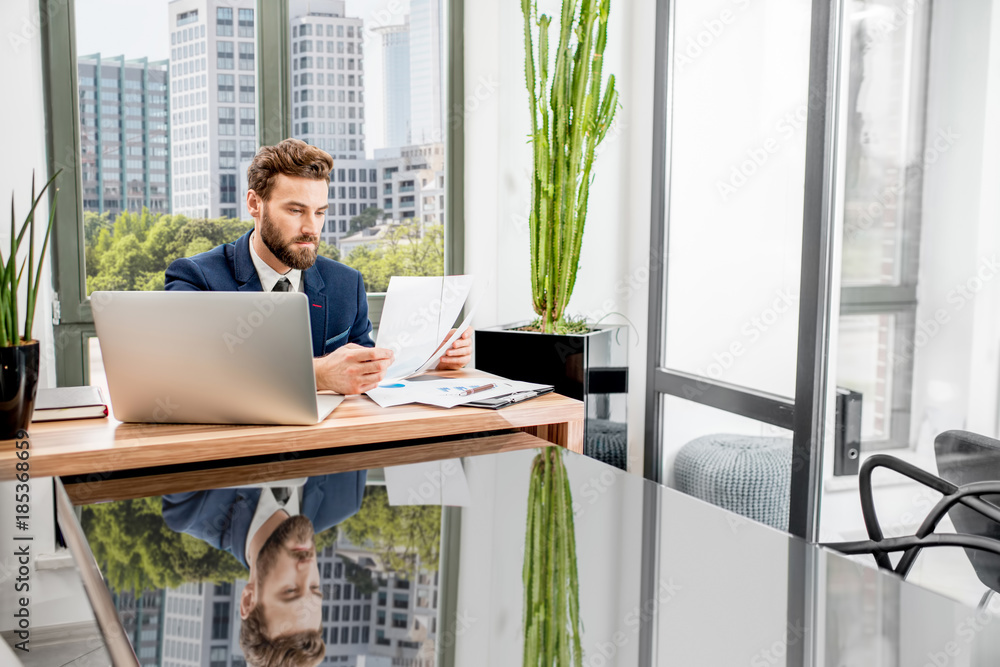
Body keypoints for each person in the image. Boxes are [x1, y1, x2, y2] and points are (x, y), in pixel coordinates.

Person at [165, 138, 471, 394]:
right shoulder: (196, 278)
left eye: (320, 212)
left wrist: (427, 359)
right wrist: (316, 374)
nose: (312, 228)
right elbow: (185, 370)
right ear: (254, 204)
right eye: (296, 210)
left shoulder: (345, 284)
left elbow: (363, 370)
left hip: (332, 453)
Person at [162, 471, 366, 667]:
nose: (307, 566)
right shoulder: (345, 498)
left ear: (248, 601)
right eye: (314, 588)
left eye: (290, 590)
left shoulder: (191, 507)